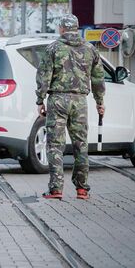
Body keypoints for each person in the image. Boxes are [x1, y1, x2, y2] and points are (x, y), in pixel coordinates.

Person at [35, 14, 106, 200]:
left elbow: (44, 76)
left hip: (57, 100)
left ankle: (56, 189)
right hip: (80, 101)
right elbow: (98, 78)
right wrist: (100, 102)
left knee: (55, 145)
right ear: (76, 27)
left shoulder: (52, 48)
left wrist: (39, 100)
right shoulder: (90, 49)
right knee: (81, 145)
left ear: (62, 28)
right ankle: (82, 189)